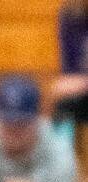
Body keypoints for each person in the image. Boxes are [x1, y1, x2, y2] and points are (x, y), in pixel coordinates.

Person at [52, 2, 88, 138]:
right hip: (83, 91)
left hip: (84, 84)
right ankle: (61, 155)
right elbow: (70, 70)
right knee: (65, 105)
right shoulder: (71, 15)